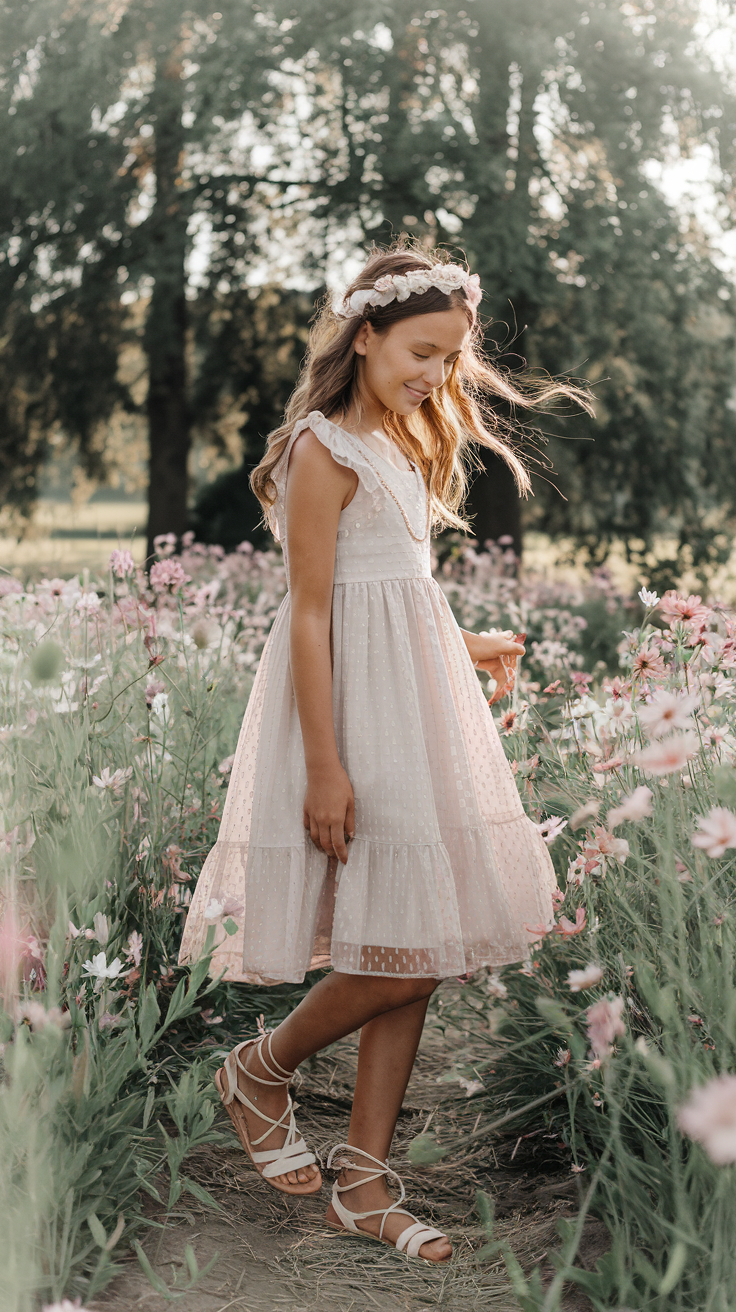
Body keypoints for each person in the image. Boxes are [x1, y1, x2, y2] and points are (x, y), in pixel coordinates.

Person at [179, 242, 592, 1262]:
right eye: (419, 351)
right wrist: (326, 766)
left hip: (414, 705)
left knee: (416, 938)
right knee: (401, 942)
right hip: (347, 721)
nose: (434, 375)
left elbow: (398, 593)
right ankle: (262, 1066)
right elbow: (314, 616)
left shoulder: (406, 445)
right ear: (363, 336)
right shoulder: (321, 449)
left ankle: (363, 1182)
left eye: (449, 359)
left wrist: (465, 643)